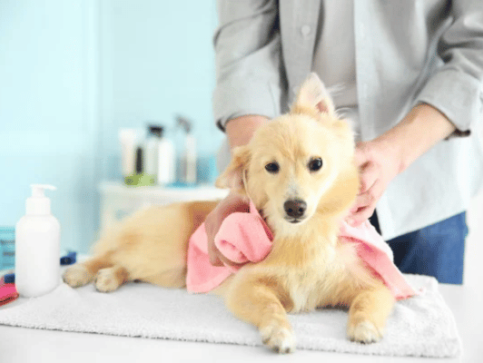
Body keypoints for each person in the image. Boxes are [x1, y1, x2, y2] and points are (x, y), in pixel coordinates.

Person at [206, 0, 483, 284]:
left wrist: (395, 152)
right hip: (281, 212)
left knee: (426, 321)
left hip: (423, 188)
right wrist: (252, 176)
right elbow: (243, 46)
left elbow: (478, 46)